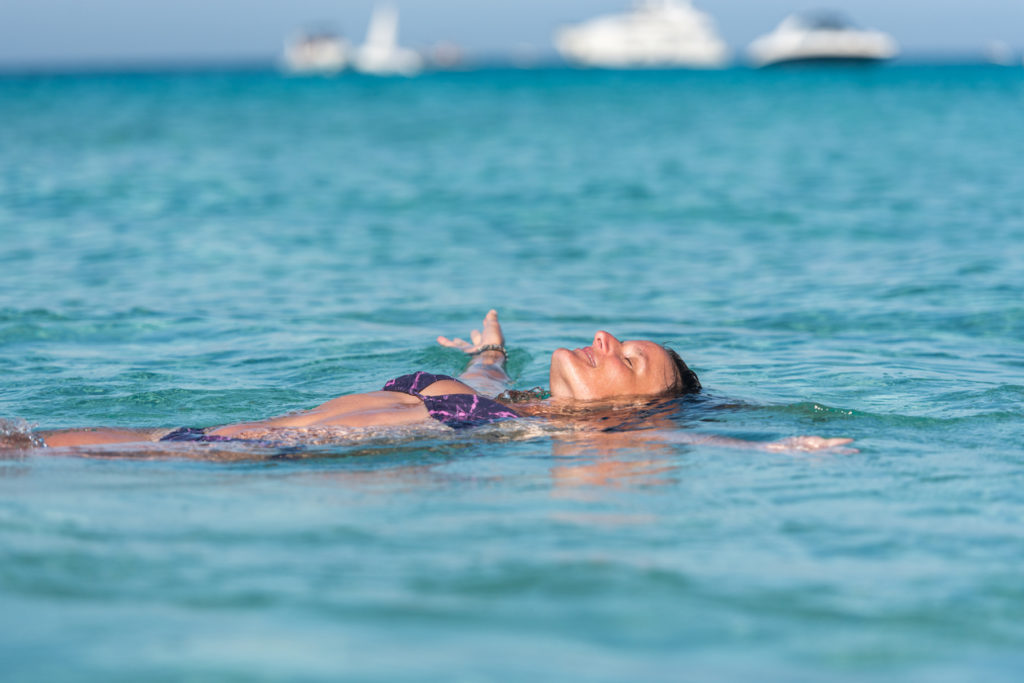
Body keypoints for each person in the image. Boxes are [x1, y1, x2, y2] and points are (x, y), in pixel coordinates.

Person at [33, 310, 852, 453]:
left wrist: (776, 446)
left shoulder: (548, 431)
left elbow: (696, 440)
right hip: (217, 432)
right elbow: (480, 377)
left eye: (628, 357)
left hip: (256, 452)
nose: (605, 337)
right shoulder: (506, 399)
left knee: (28, 453)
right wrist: (492, 351)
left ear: (633, 410)